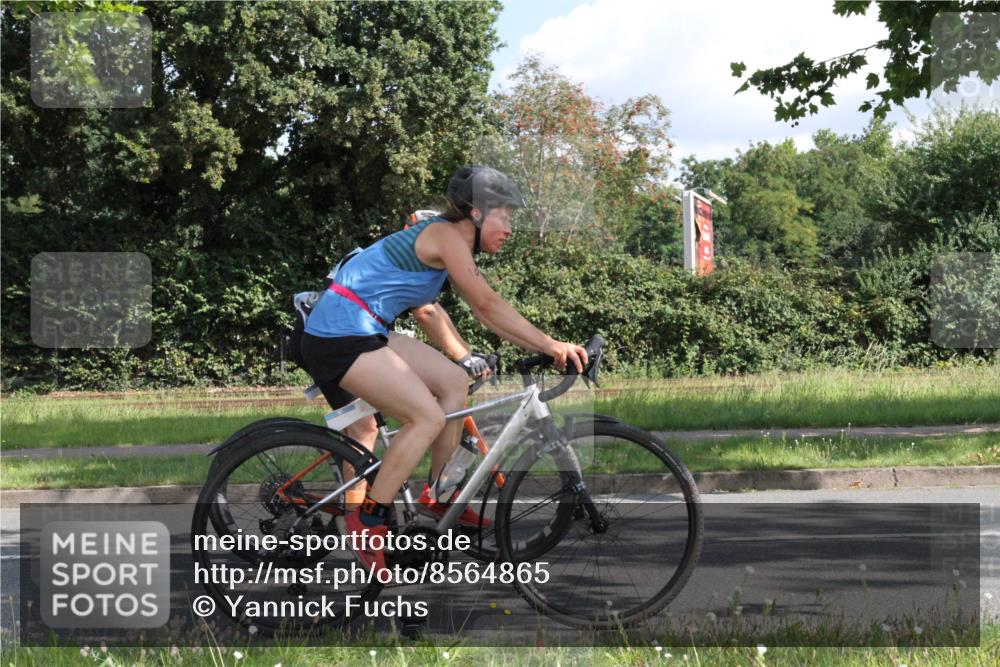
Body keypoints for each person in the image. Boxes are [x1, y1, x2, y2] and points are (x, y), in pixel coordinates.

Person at [300, 165, 588, 573]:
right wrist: (550, 344)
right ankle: (367, 519)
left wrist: (539, 345)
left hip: (366, 328)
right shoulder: (445, 235)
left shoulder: (448, 240)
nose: (509, 227)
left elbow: (462, 312)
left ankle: (441, 495)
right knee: (426, 417)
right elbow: (486, 305)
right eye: (504, 216)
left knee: (455, 381)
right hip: (339, 333)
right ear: (475, 212)